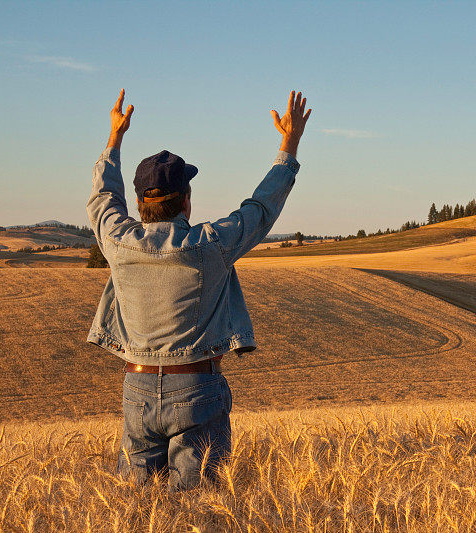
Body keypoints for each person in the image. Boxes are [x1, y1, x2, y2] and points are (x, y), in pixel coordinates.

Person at [86, 88, 311, 491]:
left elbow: (103, 197)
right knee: (197, 509)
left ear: (139, 202)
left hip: (136, 387)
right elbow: (260, 209)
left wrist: (114, 138)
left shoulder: (116, 242)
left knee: (133, 510)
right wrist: (288, 144)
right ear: (187, 200)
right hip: (197, 386)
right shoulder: (212, 245)